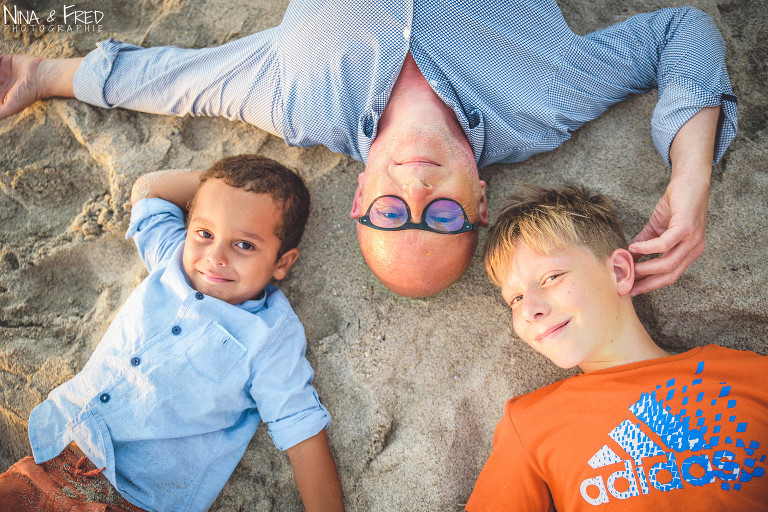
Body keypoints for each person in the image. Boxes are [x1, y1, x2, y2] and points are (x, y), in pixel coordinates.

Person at [0, 1, 738, 297]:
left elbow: (177, 83)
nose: (416, 196)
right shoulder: (545, 103)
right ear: (481, 203)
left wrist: (42, 74)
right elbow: (684, 33)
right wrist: (689, 174)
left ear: (358, 199)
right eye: (443, 220)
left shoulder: (295, 99)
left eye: (390, 214)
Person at [0, 155, 344, 511]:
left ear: (283, 262)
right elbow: (149, 190)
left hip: (132, 497)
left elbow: (301, 433)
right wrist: (221, 186)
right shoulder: (173, 257)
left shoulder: (269, 335)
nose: (215, 256)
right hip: (54, 454)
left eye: (244, 245)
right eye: (206, 233)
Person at [465, 185, 768, 511]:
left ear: (620, 271)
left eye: (552, 277)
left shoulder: (752, 377)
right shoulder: (528, 423)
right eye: (515, 298)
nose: (529, 309)